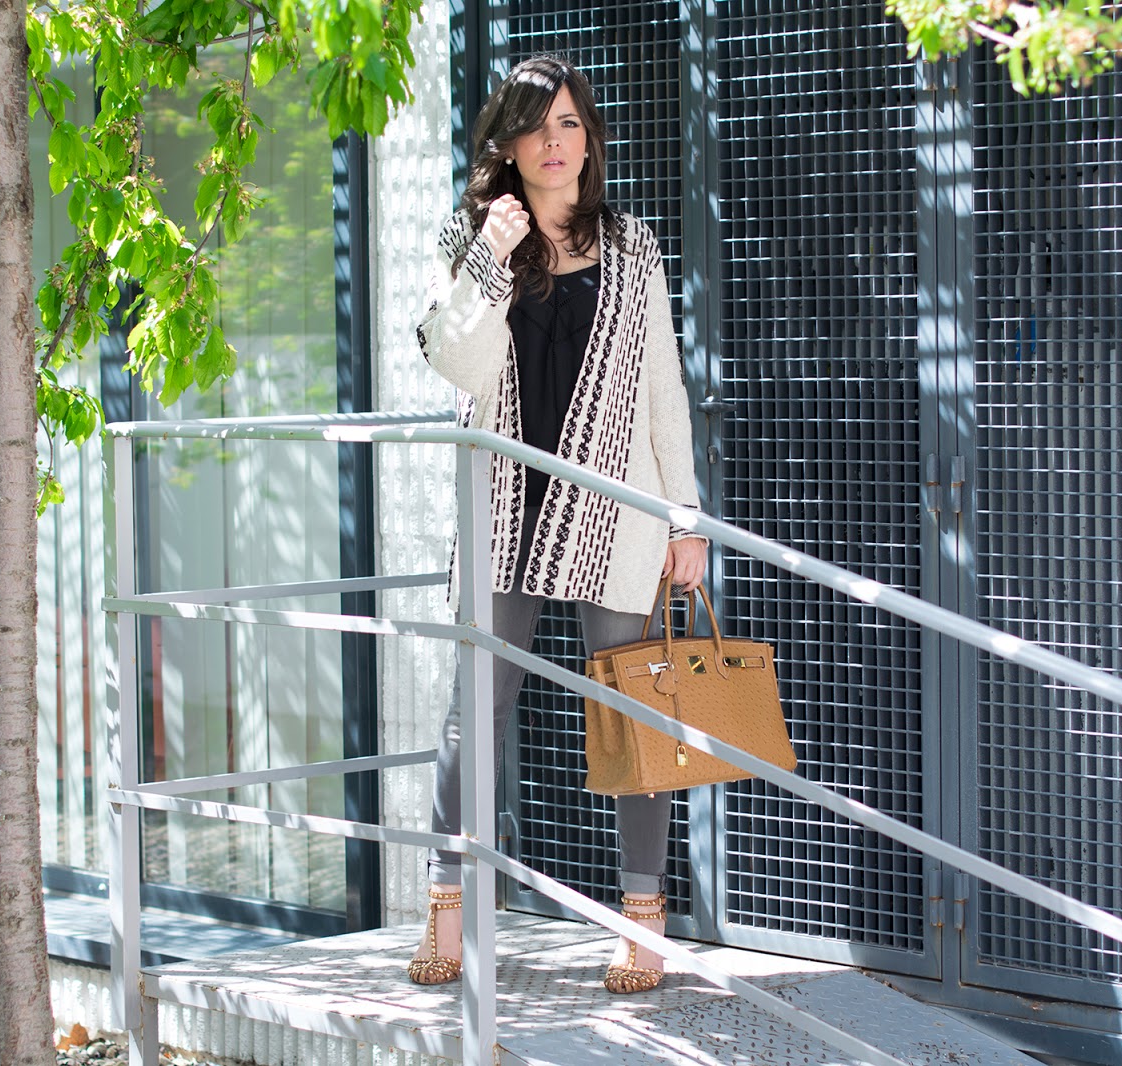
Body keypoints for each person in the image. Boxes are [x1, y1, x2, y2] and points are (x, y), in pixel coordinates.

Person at [409, 54, 707, 995]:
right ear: (508, 143)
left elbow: (662, 389)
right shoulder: (469, 239)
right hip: (504, 510)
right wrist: (490, 261)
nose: (554, 142)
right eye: (537, 126)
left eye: (570, 123)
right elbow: (456, 364)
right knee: (475, 714)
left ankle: (642, 922)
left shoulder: (633, 246)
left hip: (616, 518)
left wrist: (686, 517)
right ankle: (447, 907)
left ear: (590, 140)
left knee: (634, 713)